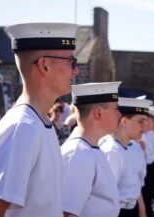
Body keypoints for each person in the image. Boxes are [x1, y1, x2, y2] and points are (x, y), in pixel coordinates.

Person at [0, 22, 79, 217]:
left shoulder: (39, 123)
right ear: (44, 65)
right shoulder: (23, 127)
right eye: (71, 62)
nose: (75, 71)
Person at [61, 82, 121, 217]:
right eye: (115, 108)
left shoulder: (89, 148)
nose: (119, 114)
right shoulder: (79, 154)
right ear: (98, 112)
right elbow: (65, 213)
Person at [99, 96, 152, 217]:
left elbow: (136, 185)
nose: (145, 126)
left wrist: (142, 210)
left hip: (131, 209)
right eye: (140, 121)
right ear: (124, 121)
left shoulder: (135, 147)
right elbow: (106, 196)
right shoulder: (112, 151)